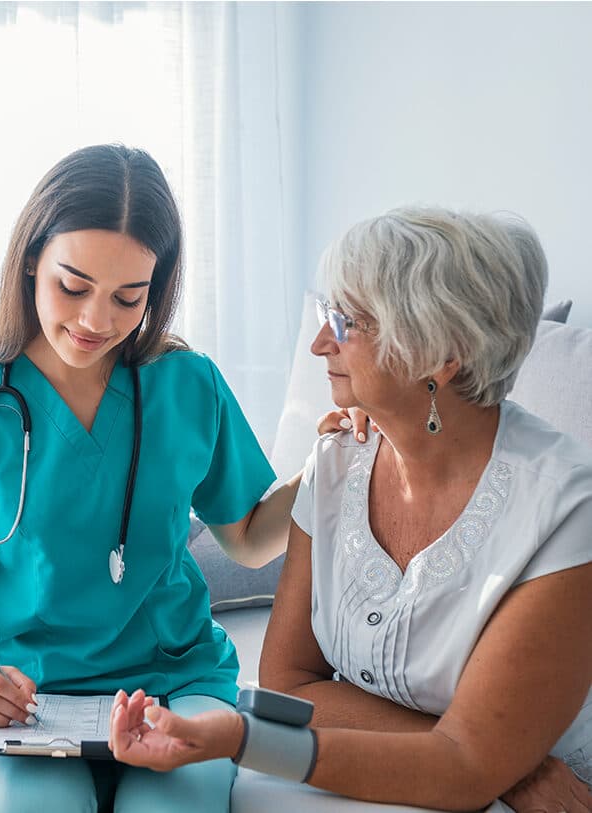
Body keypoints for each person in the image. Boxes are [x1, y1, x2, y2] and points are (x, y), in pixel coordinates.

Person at [0, 144, 362, 812]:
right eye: (72, 287)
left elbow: (248, 538)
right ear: (29, 263)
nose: (95, 321)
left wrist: (324, 464)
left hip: (175, 678)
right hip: (31, 690)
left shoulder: (187, 386)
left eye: (129, 297)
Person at [109, 207, 592, 812]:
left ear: (443, 353)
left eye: (347, 322)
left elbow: (463, 771)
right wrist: (509, 764)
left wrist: (244, 739)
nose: (319, 343)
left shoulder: (566, 508)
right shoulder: (338, 462)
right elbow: (289, 684)